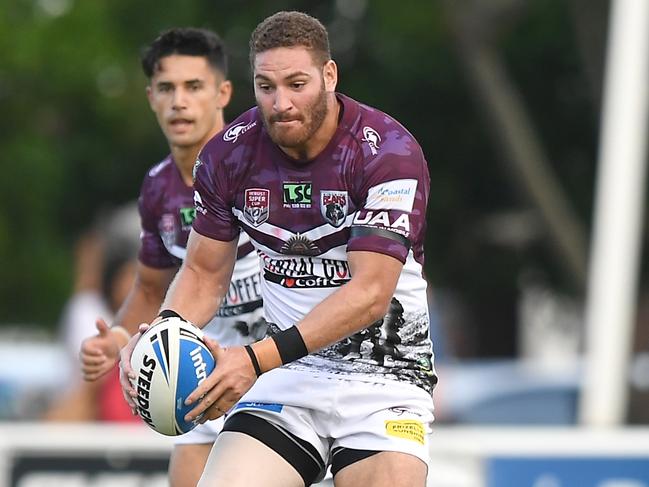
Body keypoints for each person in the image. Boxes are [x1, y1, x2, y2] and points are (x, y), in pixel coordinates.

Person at [121, 11, 436, 487]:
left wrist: (253, 359)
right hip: (285, 381)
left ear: (329, 76)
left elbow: (371, 294)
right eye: (266, 86)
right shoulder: (228, 155)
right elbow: (204, 275)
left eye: (296, 83)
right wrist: (158, 338)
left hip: (384, 382)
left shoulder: (388, 151)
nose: (281, 103)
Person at [79, 27, 265, 487]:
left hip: (277, 369)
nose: (179, 102)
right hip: (203, 382)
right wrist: (119, 335)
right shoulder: (157, 188)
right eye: (167, 88)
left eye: (193, 87)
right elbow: (149, 286)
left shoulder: (267, 166)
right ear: (150, 98)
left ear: (223, 92)